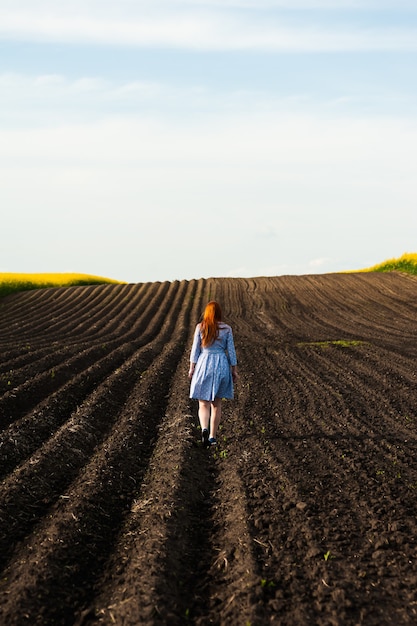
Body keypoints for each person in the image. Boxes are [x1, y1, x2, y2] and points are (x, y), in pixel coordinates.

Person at [188, 301, 238, 447]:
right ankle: (212, 437)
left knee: (203, 403)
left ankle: (204, 428)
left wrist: (192, 368)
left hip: (204, 364)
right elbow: (232, 351)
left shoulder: (200, 327)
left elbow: (195, 350)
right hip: (221, 364)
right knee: (216, 405)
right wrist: (234, 370)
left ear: (207, 312)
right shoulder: (227, 329)